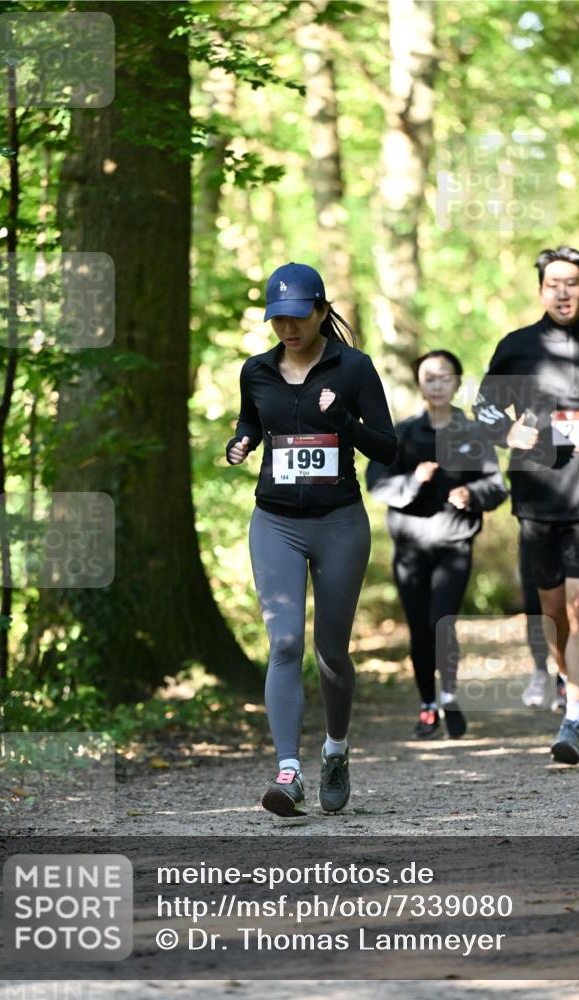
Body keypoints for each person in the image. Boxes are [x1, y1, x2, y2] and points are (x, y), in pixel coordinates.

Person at [227, 262, 396, 816]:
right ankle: (289, 771)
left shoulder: (354, 368)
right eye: (278, 319)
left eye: (298, 317)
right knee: (282, 644)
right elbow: (253, 421)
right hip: (274, 521)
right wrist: (242, 441)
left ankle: (337, 750)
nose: (288, 329)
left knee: (330, 654)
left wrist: (344, 419)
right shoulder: (256, 371)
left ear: (322, 310)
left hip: (340, 523)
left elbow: (388, 449)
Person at [474, 246, 579, 764]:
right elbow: (485, 409)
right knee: (553, 611)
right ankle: (566, 679)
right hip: (537, 497)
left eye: (572, 283)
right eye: (553, 283)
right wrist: (507, 430)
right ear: (541, 290)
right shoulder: (518, 348)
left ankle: (576, 717)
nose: (563, 291)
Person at [366, 350, 507, 739]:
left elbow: (497, 486)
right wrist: (414, 481)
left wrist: (472, 495)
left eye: (445, 377)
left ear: (458, 382)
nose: (438, 384)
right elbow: (376, 482)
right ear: (420, 385)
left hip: (453, 544)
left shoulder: (474, 433)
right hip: (410, 548)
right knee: (418, 629)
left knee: (441, 623)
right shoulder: (403, 433)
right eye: (430, 377)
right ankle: (428, 705)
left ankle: (449, 695)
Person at [519, 534, 566, 711]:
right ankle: (540, 670)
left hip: (571, 530)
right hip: (534, 528)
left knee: (564, 608)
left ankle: (564, 679)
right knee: (533, 606)